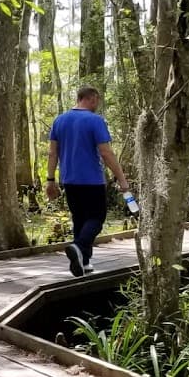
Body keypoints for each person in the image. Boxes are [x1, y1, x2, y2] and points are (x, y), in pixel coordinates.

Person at [46, 85, 130, 277]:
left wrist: (50, 180)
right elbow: (106, 153)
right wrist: (122, 179)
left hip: (69, 180)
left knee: (80, 219)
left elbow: (52, 153)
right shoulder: (95, 120)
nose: (97, 105)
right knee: (96, 218)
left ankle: (83, 262)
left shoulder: (59, 120)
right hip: (91, 179)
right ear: (92, 98)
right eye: (97, 101)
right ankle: (78, 246)